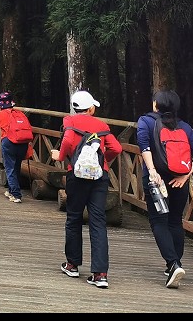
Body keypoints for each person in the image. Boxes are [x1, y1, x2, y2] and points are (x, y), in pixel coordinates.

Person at [51, 90, 123, 289]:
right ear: (91, 108)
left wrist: (61, 156)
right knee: (98, 221)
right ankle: (100, 274)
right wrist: (103, 162)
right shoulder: (101, 125)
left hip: (77, 174)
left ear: (74, 108)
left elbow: (66, 141)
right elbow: (116, 148)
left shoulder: (70, 122)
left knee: (74, 217)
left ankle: (72, 265)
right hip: (99, 177)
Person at [136, 90, 193, 289]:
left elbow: (144, 147)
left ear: (156, 105)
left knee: (158, 221)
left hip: (156, 179)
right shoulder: (184, 126)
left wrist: (152, 172)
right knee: (175, 220)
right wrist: (185, 175)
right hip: (179, 180)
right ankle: (176, 263)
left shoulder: (146, 121)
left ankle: (172, 264)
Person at [0, 91, 32, 203]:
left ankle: (16, 195)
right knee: (16, 167)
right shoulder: (20, 114)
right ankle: (11, 191)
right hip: (23, 143)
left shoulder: (2, 114)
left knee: (10, 169)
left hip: (9, 142)